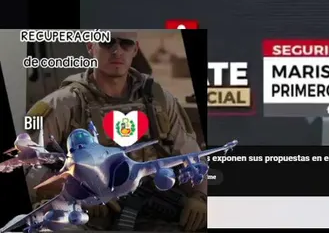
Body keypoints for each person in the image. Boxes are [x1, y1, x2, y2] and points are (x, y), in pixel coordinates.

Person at [25, 32, 208, 231]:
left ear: (135, 49)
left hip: (154, 209)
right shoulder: (63, 103)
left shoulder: (160, 100)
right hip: (89, 217)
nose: (117, 51)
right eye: (107, 43)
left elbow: (191, 155)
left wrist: (199, 197)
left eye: (125, 44)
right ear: (90, 46)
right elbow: (26, 166)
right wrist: (80, 192)